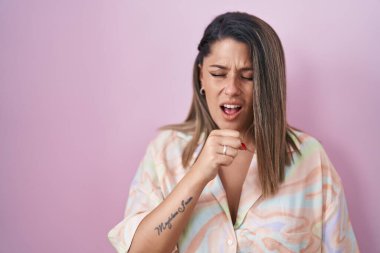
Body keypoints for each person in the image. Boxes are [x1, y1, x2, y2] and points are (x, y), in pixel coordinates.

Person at [108, 12, 359, 253]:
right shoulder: (165, 151)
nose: (231, 89)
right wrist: (197, 175)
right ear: (201, 78)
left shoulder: (310, 158)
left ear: (267, 83)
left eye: (248, 77)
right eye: (218, 74)